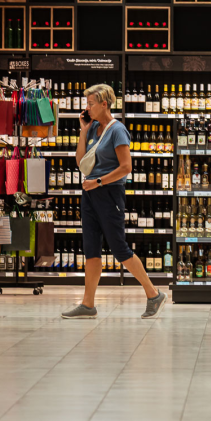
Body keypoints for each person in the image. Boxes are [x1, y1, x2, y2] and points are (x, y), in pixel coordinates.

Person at [62, 83, 166, 320]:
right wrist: (82, 130)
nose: (86, 108)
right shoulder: (92, 128)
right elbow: (80, 162)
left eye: (90, 103)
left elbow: (126, 167)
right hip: (89, 194)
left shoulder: (117, 130)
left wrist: (99, 182)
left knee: (120, 248)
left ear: (104, 104)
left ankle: (153, 294)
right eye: (86, 104)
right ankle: (88, 304)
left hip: (109, 194)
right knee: (91, 250)